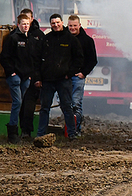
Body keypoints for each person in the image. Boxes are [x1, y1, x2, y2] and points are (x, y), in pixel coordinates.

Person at [34, 14, 83, 140]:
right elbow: (37, 59)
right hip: (48, 80)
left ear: (62, 22)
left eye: (57, 22)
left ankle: (72, 134)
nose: (55, 25)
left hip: (63, 80)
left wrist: (69, 73)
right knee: (44, 108)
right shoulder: (47, 39)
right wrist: (39, 77)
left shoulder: (71, 40)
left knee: (67, 107)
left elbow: (79, 58)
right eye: (53, 23)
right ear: (50, 25)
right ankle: (41, 134)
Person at [0, 14, 34, 143]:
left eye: (27, 24)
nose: (25, 26)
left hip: (26, 77)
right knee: (17, 103)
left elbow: (32, 58)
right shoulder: (13, 38)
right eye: (23, 24)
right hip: (15, 77)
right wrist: (12, 73)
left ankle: (18, 131)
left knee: (21, 103)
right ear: (19, 24)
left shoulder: (30, 39)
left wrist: (30, 74)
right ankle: (12, 132)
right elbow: (4, 57)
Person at [67, 15, 97, 135]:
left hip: (78, 78)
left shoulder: (87, 41)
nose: (72, 28)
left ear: (79, 25)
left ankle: (76, 130)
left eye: (75, 25)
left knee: (76, 103)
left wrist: (84, 73)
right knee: (66, 104)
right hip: (64, 77)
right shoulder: (64, 38)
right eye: (70, 26)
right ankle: (68, 130)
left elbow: (93, 60)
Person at [17, 8, 45, 139]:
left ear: (32, 19)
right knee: (20, 103)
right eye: (23, 20)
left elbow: (42, 58)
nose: (26, 22)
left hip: (34, 75)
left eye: (28, 19)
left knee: (29, 104)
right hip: (20, 75)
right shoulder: (15, 36)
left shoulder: (39, 36)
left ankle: (27, 131)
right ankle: (19, 129)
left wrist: (39, 77)